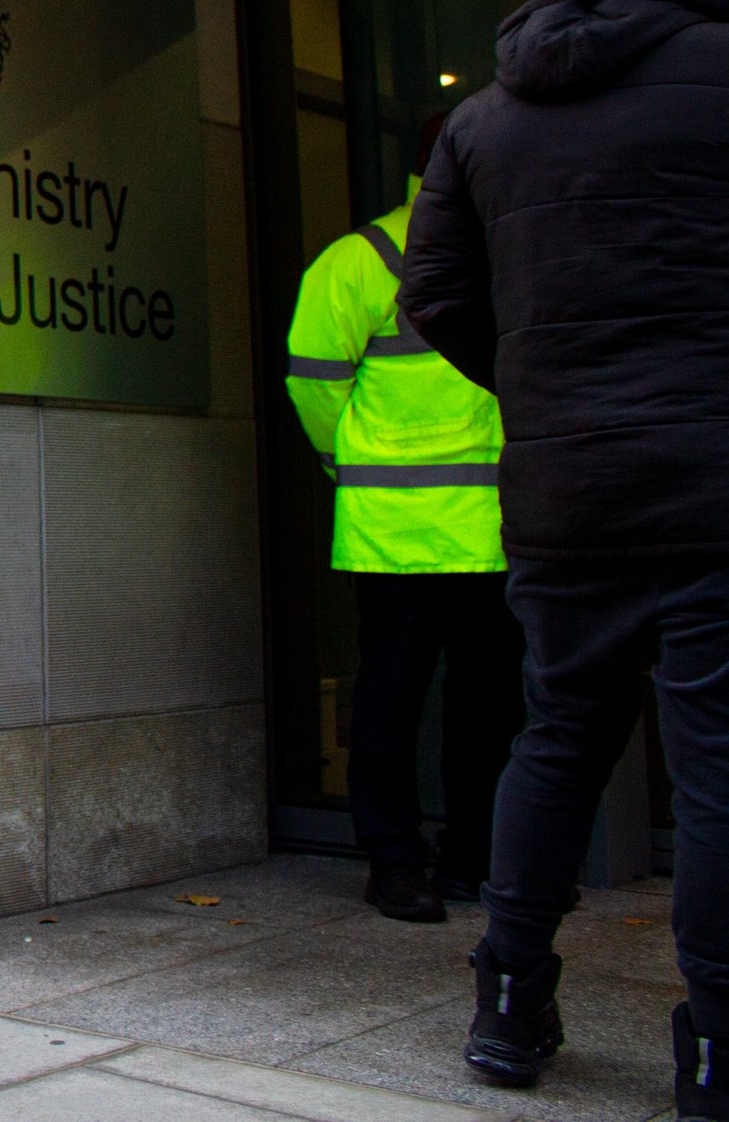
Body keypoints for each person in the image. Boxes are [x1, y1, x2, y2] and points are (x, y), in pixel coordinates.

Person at [398, 0, 729, 1113]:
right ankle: (715, 1049)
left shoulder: (486, 116)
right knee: (717, 767)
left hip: (564, 485)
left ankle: (506, 1006)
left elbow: (430, 293)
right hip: (712, 479)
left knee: (558, 737)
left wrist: (542, 389)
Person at [286, 112, 519, 924]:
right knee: (458, 704)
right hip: (459, 529)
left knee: (407, 700)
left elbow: (316, 386)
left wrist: (348, 466)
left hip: (431, 529)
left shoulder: (363, 259)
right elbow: (313, 382)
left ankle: (410, 861)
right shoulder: (479, 248)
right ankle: (440, 856)